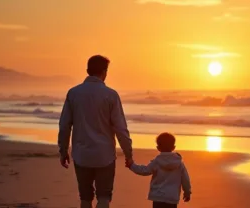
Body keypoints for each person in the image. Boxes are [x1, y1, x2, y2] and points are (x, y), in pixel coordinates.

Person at [58, 55, 133, 208]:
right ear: (105, 72)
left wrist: (63, 150)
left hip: (81, 154)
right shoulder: (111, 95)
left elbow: (65, 125)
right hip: (104, 155)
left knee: (85, 198)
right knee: (104, 197)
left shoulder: (73, 93)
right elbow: (120, 128)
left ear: (87, 71)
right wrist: (128, 153)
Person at [126, 132, 192, 208]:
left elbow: (145, 170)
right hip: (172, 197)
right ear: (174, 147)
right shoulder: (179, 163)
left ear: (158, 148)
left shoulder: (157, 162)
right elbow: (185, 179)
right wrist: (187, 192)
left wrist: (132, 166)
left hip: (158, 197)